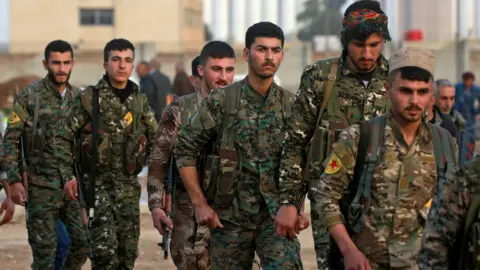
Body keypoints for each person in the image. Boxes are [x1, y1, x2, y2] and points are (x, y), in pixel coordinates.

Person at [174, 21, 308, 269]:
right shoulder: (222, 101)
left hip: (275, 218)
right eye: (261, 49)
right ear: (246, 54)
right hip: (229, 220)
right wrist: (200, 204)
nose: (269, 57)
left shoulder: (293, 106)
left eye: (275, 50)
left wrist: (296, 206)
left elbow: (301, 160)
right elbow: (184, 149)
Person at [311, 47, 457, 269]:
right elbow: (325, 195)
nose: (414, 100)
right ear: (388, 90)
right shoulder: (361, 138)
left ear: (431, 96)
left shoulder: (444, 144)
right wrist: (348, 250)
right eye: (405, 91)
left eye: (422, 92)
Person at [275, 1, 392, 267]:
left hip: (386, 206)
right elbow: (295, 143)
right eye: (358, 45)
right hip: (331, 206)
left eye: (374, 45)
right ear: (345, 39)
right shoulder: (320, 78)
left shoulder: (396, 80)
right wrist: (290, 202)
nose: (366, 54)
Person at [58, 38, 158, 270]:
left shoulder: (140, 102)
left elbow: (158, 145)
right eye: (116, 60)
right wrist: (68, 176)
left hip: (129, 193)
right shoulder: (88, 99)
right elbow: (62, 138)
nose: (122, 66)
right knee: (104, 258)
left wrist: (160, 186)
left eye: (127, 61)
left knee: (127, 258)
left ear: (133, 66)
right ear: (105, 65)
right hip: (97, 189)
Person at [148, 41, 236, 269]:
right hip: (188, 218)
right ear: (201, 70)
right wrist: (156, 206)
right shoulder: (179, 110)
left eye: (229, 70)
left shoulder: (241, 111)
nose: (223, 77)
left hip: (233, 216)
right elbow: (159, 160)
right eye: (216, 69)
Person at [2, 40, 88, 269]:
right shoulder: (30, 97)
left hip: (70, 190)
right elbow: (10, 141)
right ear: (45, 64)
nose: (61, 68)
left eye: (66, 63)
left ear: (73, 64)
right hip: (40, 190)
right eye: (56, 63)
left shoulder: (78, 99)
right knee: (45, 254)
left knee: (81, 245)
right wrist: (14, 180)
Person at [455, 71, 480, 136]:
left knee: (471, 132)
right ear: (463, 80)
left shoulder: (476, 89)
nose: (468, 83)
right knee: (460, 130)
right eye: (467, 80)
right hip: (459, 111)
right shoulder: (458, 87)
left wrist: (478, 112)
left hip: (471, 113)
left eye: (470, 81)